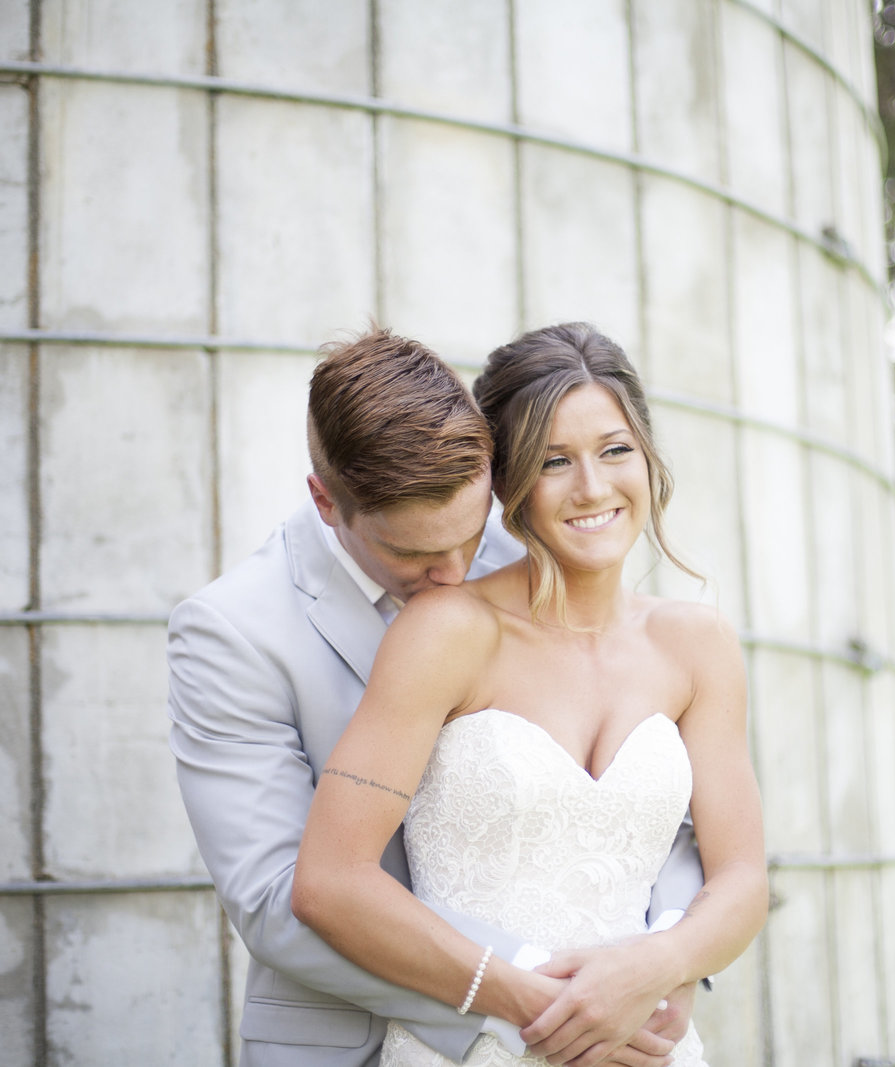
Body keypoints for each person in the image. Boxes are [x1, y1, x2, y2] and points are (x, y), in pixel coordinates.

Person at [168, 328, 707, 1067]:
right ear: (328, 503)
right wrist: (542, 999)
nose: (456, 574)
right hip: (357, 1038)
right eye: (415, 556)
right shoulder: (230, 632)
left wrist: (662, 962)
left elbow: (641, 804)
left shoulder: (532, 544)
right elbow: (275, 898)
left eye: (470, 532)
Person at [291, 323, 769, 1067]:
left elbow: (741, 878)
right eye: (554, 461)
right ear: (506, 485)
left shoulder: (697, 644)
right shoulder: (445, 630)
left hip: (649, 1048)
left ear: (647, 456)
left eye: (615, 449)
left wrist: (660, 965)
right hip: (477, 1046)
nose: (593, 487)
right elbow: (330, 880)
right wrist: (555, 1010)